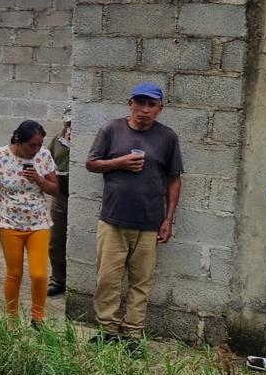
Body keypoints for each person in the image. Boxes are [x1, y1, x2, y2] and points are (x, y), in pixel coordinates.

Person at [86, 82, 184, 357]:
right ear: (130, 104)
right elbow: (91, 163)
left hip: (149, 223)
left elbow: (174, 179)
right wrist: (118, 163)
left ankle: (132, 335)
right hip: (113, 220)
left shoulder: (167, 137)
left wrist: (168, 220)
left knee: (141, 283)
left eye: (151, 105)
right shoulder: (111, 129)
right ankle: (107, 331)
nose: (144, 110)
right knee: (107, 279)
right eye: (140, 103)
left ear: (160, 109)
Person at [0, 120, 60, 326]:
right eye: (31, 145)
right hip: (9, 224)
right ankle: (12, 319)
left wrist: (38, 178)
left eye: (39, 144)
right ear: (18, 140)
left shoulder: (44, 156)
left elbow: (55, 189)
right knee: (14, 273)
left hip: (38, 223)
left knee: (38, 274)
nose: (36, 150)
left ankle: (38, 318)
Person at [47, 105, 73, 296]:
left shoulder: (89, 140)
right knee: (56, 241)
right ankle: (58, 280)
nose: (71, 126)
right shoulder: (57, 140)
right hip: (60, 196)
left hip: (79, 197)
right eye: (69, 122)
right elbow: (46, 161)